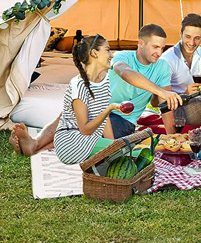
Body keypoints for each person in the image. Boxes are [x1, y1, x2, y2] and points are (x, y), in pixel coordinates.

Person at [10, 34, 120, 164]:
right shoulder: (80, 85)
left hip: (75, 138)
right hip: (74, 141)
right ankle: (35, 145)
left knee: (69, 118)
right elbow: (86, 128)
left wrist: (113, 145)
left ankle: (35, 146)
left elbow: (102, 120)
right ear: (94, 54)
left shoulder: (102, 81)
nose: (112, 55)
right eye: (107, 50)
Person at [108, 23, 181, 138]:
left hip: (123, 120)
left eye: (162, 48)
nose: (160, 53)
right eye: (155, 47)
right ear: (141, 43)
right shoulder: (122, 56)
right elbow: (125, 73)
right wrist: (161, 92)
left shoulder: (162, 66)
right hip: (100, 112)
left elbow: (162, 104)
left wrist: (172, 138)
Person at [160, 13, 201, 129]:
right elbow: (161, 102)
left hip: (196, 105)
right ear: (180, 34)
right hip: (177, 111)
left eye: (197, 38)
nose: (192, 43)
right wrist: (185, 93)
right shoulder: (167, 59)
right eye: (188, 37)